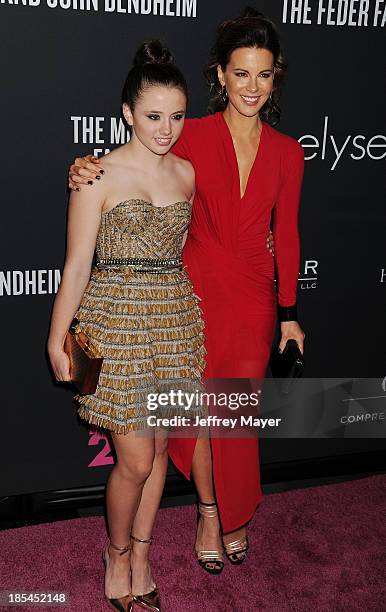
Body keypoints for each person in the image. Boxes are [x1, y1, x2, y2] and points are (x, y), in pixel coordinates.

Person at [68, 8, 305, 575]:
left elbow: (289, 233)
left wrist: (290, 314)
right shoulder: (189, 133)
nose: (252, 86)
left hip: (251, 297)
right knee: (194, 414)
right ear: (220, 74)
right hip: (189, 295)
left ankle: (235, 511)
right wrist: (86, 166)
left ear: (276, 80)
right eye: (241, 73)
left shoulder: (289, 152)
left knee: (234, 415)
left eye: (264, 75)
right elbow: (137, 164)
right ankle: (206, 511)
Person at [48, 39, 208, 611]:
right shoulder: (96, 175)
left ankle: (142, 555)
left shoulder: (188, 174)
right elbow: (75, 265)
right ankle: (115, 553)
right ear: (127, 113)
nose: (166, 129)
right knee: (135, 460)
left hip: (173, 323)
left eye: (176, 116)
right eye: (153, 116)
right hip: (113, 326)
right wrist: (56, 337)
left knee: (161, 451)